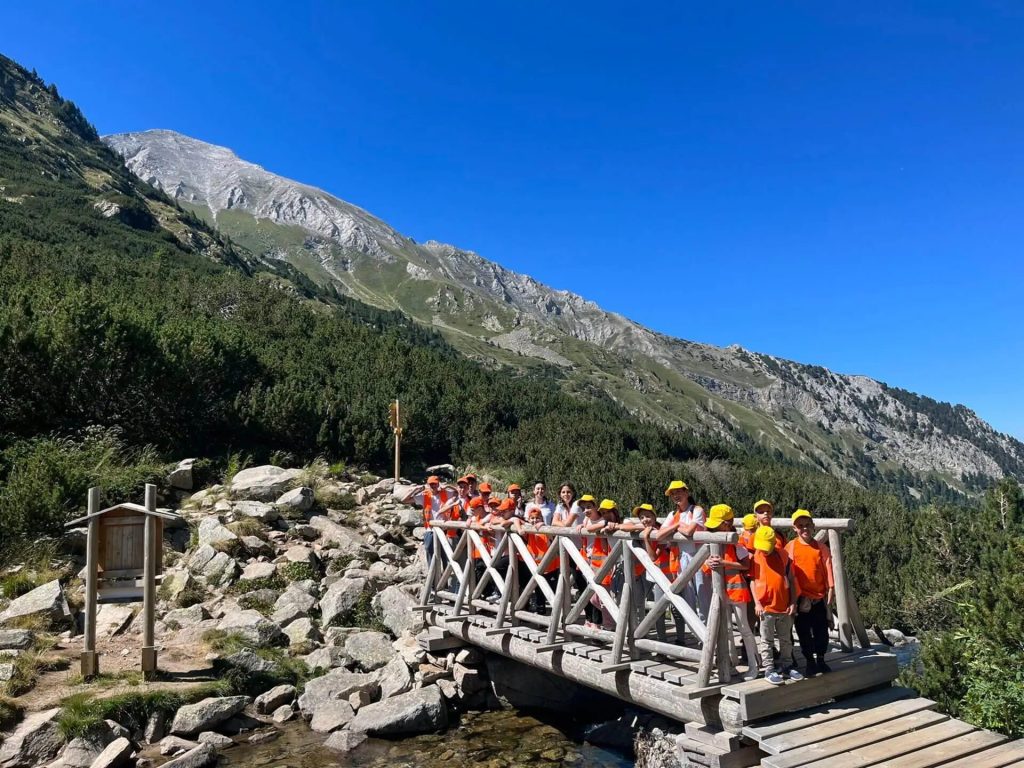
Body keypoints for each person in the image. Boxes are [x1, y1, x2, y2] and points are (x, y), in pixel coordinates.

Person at [703, 504, 761, 678]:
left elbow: (745, 565)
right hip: (720, 592)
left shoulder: (736, 544)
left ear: (727, 524)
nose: (713, 527)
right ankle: (730, 664)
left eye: (718, 524)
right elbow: (705, 568)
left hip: (736, 591)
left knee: (744, 628)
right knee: (725, 628)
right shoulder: (712, 541)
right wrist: (708, 564)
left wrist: (724, 563)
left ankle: (754, 666)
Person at [653, 480, 709, 637]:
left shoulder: (696, 510)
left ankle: (707, 634)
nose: (676, 495)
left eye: (679, 492)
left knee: (703, 596)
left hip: (699, 557)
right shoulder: (673, 515)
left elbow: (690, 531)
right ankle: (696, 634)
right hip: (681, 559)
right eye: (672, 493)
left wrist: (675, 527)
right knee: (688, 597)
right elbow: (659, 535)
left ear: (686, 493)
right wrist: (676, 527)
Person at [750, 526, 804, 685]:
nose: (764, 551)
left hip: (784, 606)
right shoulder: (755, 558)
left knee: (786, 638)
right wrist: (757, 603)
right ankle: (769, 668)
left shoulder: (783, 556)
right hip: (766, 608)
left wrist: (793, 602)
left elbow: (791, 579)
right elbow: (752, 581)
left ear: (774, 543)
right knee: (766, 640)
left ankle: (787, 666)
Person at [786, 509, 835, 676]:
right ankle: (809, 662)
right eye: (800, 526)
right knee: (803, 632)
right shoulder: (790, 548)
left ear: (813, 526)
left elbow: (829, 574)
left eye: (807, 525)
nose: (804, 528)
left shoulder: (821, 548)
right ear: (794, 528)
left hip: (819, 598)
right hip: (801, 599)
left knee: (822, 631)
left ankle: (821, 659)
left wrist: (829, 603)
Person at [401, 475, 454, 565]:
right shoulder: (424, 495)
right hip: (430, 529)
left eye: (435, 484)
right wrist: (416, 489)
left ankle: (446, 576)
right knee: (430, 551)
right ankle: (432, 575)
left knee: (445, 554)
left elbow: (458, 493)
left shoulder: (446, 493)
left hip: (444, 529)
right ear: (428, 485)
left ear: (438, 484)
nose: (433, 486)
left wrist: (448, 486)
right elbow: (404, 500)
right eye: (431, 484)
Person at [517, 503, 559, 614]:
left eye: (537, 518)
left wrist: (543, 526)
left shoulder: (546, 529)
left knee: (553, 591)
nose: (535, 520)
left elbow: (552, 538)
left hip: (550, 567)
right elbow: (514, 519)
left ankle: (558, 614)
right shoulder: (529, 530)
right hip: (536, 567)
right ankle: (541, 613)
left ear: (542, 518)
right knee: (539, 590)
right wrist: (522, 525)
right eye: (532, 518)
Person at [578, 497, 611, 628]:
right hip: (589, 559)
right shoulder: (586, 520)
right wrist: (582, 525)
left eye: (589, 507)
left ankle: (606, 622)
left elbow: (594, 529)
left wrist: (586, 528)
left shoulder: (603, 520)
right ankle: (602, 621)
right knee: (592, 594)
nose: (586, 510)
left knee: (600, 594)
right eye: (584, 508)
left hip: (602, 561)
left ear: (595, 506)